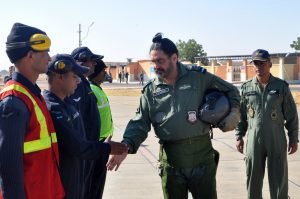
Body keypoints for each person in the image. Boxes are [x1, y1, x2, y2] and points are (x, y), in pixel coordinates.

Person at [107, 33, 241, 199]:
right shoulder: (151, 90)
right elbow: (139, 122)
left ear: (174, 58)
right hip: (171, 163)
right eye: (153, 62)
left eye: (160, 61)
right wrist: (127, 145)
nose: (156, 66)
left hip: (202, 160)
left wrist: (234, 111)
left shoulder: (198, 77)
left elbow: (232, 90)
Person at [43, 54, 127, 199]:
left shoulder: (67, 105)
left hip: (76, 178)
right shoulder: (52, 109)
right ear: (59, 77)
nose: (78, 81)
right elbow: (78, 146)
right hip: (63, 185)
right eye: (75, 76)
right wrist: (107, 148)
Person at [0, 23, 65, 199]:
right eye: (45, 53)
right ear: (30, 55)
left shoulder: (31, 94)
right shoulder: (14, 101)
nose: (50, 58)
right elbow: (9, 168)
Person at [235, 49, 299, 199]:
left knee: (278, 178)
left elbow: (291, 115)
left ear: (270, 64)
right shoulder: (246, 88)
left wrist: (294, 138)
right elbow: (241, 115)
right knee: (253, 178)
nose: (259, 67)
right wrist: (239, 136)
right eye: (256, 63)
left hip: (276, 139)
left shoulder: (281, 87)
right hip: (254, 140)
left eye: (262, 63)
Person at [69, 46, 104, 199]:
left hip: (91, 148)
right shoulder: (76, 86)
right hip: (84, 152)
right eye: (92, 61)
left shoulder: (84, 84)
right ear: (80, 61)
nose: (95, 64)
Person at [88, 60, 114, 198]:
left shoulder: (97, 89)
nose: (105, 74)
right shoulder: (91, 90)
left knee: (99, 182)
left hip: (104, 143)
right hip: (97, 145)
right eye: (103, 71)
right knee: (94, 183)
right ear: (96, 73)